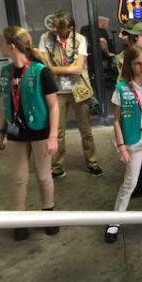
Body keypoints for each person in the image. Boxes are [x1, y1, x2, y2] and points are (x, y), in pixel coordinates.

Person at [0, 26, 60, 241]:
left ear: (11, 46)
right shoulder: (5, 72)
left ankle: (48, 214)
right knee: (19, 179)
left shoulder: (40, 71)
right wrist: (1, 132)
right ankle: (20, 220)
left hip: (40, 132)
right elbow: (7, 104)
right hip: (16, 133)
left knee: (44, 176)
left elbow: (54, 106)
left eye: (0, 42)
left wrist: (53, 136)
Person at [104, 46, 142, 243]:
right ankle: (115, 221)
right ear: (129, 65)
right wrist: (121, 147)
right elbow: (116, 121)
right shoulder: (121, 88)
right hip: (133, 141)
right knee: (130, 182)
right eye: (137, 63)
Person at [37, 10, 102, 178]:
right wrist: (63, 69)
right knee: (57, 132)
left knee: (86, 130)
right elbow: (45, 67)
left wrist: (54, 68)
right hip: (56, 90)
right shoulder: (46, 38)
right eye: (54, 26)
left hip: (79, 89)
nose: (55, 30)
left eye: (59, 28)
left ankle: (92, 162)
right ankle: (57, 167)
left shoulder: (79, 39)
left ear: (70, 28)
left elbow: (78, 68)